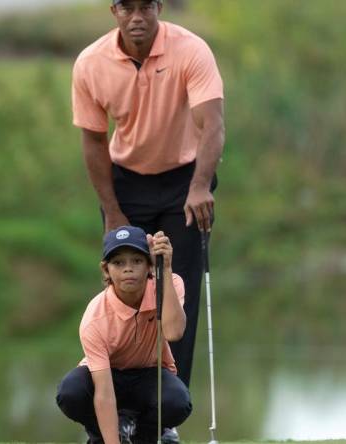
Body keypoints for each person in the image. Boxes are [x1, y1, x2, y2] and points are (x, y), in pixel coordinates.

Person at [71, 2, 224, 439]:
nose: (137, 15)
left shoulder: (190, 50)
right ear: (114, 10)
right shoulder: (91, 63)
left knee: (178, 295)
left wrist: (201, 186)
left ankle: (165, 420)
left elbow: (211, 124)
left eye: (146, 5)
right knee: (122, 293)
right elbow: (94, 141)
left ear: (158, 7)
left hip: (184, 181)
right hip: (126, 183)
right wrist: (112, 210)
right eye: (127, 6)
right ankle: (113, 415)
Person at [56, 226, 192, 444]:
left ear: (149, 265)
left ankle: (146, 436)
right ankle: (104, 436)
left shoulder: (170, 283)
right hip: (108, 376)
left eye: (137, 261)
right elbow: (103, 393)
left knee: (178, 401)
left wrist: (164, 269)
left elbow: (174, 332)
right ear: (106, 270)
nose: (128, 269)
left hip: (149, 374)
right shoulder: (95, 318)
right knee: (71, 392)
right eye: (118, 263)